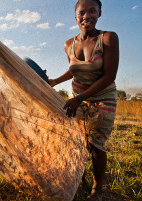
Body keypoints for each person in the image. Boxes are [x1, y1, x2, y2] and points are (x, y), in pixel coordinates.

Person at [49, 0, 119, 200]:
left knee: (96, 142)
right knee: (77, 140)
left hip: (103, 97)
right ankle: (79, 178)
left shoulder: (108, 38)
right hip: (77, 97)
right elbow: (74, 70)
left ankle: (98, 189)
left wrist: (80, 98)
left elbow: (109, 76)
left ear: (99, 14)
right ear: (75, 16)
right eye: (82, 12)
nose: (86, 16)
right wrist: (55, 81)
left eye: (92, 11)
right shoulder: (69, 44)